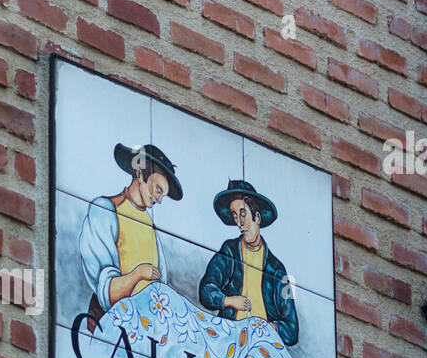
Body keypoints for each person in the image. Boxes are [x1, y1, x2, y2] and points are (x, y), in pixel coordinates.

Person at [78, 143, 183, 331]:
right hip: (109, 325)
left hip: (146, 333)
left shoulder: (151, 228)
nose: (159, 200)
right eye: (158, 189)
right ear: (140, 174)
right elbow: (108, 292)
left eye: (162, 195)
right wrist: (138, 274)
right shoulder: (105, 210)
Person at [197, 179, 299, 346]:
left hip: (261, 348)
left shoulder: (277, 270)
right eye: (235, 216)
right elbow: (206, 289)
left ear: (257, 216)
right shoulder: (229, 251)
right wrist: (228, 301)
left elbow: (291, 329)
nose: (239, 223)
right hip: (228, 339)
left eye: (243, 215)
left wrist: (269, 328)